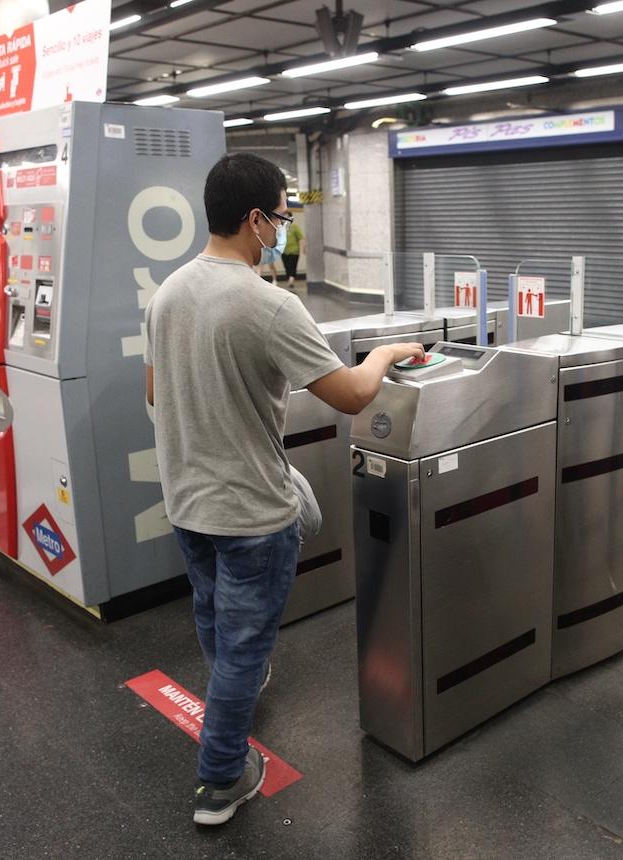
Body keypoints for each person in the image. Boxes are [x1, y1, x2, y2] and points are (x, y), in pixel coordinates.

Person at [144, 152, 423, 827]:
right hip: (248, 513)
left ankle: (232, 689)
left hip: (187, 498)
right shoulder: (269, 305)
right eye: (282, 218)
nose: (284, 230)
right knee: (244, 647)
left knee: (215, 617)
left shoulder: (169, 291)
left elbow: (156, 395)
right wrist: (386, 353)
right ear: (254, 219)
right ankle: (220, 781)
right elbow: (353, 395)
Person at [280, 217, 304, 288]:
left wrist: (302, 249)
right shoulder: (281, 228)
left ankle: (291, 279)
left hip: (294, 250)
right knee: (286, 266)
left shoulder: (295, 227)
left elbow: (301, 238)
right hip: (284, 250)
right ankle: (289, 278)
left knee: (292, 265)